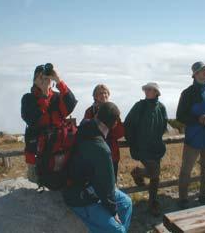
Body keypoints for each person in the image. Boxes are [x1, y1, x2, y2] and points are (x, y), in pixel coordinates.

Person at [63, 102, 132, 233]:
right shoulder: (101, 148)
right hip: (78, 195)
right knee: (118, 230)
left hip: (88, 184)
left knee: (126, 202)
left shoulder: (85, 126)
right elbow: (107, 186)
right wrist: (113, 212)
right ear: (114, 124)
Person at [21, 63, 77, 185]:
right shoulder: (28, 98)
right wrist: (44, 95)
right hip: (39, 153)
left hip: (60, 149)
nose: (44, 79)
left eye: (47, 76)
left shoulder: (57, 97)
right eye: (40, 77)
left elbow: (70, 105)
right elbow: (33, 119)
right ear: (34, 80)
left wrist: (58, 79)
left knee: (62, 181)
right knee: (40, 184)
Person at [176, 61, 205, 208]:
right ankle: (183, 199)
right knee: (186, 169)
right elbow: (180, 115)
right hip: (193, 137)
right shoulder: (187, 93)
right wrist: (197, 119)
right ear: (195, 74)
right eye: (202, 70)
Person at [124, 82, 167, 216]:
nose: (147, 91)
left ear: (156, 92)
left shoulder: (161, 107)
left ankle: (153, 203)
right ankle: (137, 172)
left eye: (150, 89)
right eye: (146, 89)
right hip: (142, 146)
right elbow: (128, 123)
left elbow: (163, 124)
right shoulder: (140, 106)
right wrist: (132, 141)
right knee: (154, 172)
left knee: (155, 177)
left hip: (156, 146)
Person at [83, 84, 124, 181]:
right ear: (95, 96)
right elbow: (85, 131)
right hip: (95, 153)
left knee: (112, 182)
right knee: (95, 181)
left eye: (105, 93)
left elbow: (120, 132)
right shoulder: (89, 111)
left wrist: (112, 127)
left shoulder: (113, 110)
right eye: (100, 93)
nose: (103, 95)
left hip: (112, 153)